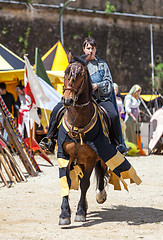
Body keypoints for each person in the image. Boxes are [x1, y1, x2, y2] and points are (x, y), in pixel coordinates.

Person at [40, 36, 127, 153]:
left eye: (93, 48)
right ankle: (49, 139)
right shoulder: (77, 63)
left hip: (99, 98)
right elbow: (69, 78)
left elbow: (109, 83)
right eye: (88, 48)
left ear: (96, 49)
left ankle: (117, 144)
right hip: (77, 98)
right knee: (56, 110)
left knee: (113, 115)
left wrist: (97, 85)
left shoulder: (102, 64)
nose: (90, 50)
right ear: (84, 49)